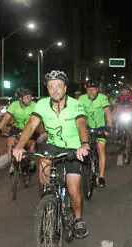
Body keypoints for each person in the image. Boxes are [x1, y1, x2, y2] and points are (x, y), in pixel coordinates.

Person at [12, 70, 91, 238]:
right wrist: (19, 146)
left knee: (73, 188)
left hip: (73, 148)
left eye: (58, 86)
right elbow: (31, 126)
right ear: (47, 89)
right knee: (43, 171)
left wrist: (84, 145)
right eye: (51, 87)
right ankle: (49, 203)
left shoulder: (75, 104)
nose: (55, 90)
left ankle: (78, 219)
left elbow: (81, 124)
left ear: (65, 88)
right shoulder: (41, 104)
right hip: (53, 146)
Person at [78, 80, 113, 187]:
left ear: (97, 89)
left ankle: (101, 176)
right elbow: (77, 114)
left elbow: (107, 112)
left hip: (100, 127)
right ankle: (83, 169)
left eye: (93, 89)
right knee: (83, 146)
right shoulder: (81, 99)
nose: (91, 91)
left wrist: (109, 126)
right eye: (89, 89)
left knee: (101, 148)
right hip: (87, 127)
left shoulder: (103, 98)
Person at [0, 87, 40, 172]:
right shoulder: (14, 105)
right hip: (17, 128)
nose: (30, 99)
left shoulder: (34, 106)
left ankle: (32, 162)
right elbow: (6, 118)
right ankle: (11, 164)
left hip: (30, 129)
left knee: (31, 144)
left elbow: (39, 120)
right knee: (9, 142)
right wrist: (0, 128)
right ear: (20, 98)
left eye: (30, 97)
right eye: (27, 97)